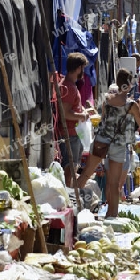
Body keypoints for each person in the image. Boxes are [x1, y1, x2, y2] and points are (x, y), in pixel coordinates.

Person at [76, 68, 140, 218]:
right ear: (129, 84)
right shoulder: (132, 105)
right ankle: (111, 215)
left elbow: (104, 117)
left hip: (101, 140)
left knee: (86, 174)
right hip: (119, 145)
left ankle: (73, 205)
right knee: (114, 183)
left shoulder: (107, 98)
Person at [58, 52, 92, 187]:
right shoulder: (69, 87)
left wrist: (83, 110)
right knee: (69, 167)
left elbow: (71, 107)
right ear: (78, 68)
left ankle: (71, 192)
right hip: (70, 133)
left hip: (75, 133)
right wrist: (82, 116)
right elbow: (64, 113)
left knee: (73, 166)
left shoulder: (70, 85)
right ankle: (69, 192)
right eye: (83, 68)